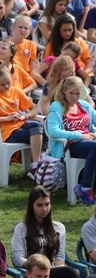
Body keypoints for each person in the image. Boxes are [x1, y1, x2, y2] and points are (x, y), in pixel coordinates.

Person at [12, 186, 83, 278]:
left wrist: (57, 267)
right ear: (31, 206)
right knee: (70, 272)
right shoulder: (21, 228)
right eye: (39, 205)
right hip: (34, 274)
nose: (44, 209)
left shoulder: (59, 228)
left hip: (54, 273)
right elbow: (17, 258)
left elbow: (60, 257)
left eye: (47, 204)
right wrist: (38, 265)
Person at [0, 62, 43, 178]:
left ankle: (36, 166)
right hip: (4, 131)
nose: (7, 86)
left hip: (19, 123)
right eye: (2, 84)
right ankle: (38, 167)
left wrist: (25, 116)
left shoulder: (15, 91)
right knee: (39, 134)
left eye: (8, 82)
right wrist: (5, 118)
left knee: (37, 126)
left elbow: (35, 109)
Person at [47, 74, 96, 203]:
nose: (74, 97)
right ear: (64, 91)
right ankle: (84, 187)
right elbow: (53, 132)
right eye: (71, 93)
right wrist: (80, 135)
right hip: (69, 146)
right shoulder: (57, 107)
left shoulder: (84, 105)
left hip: (88, 141)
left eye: (78, 94)